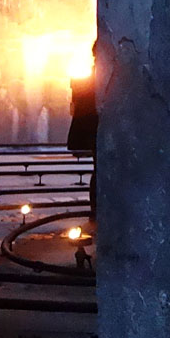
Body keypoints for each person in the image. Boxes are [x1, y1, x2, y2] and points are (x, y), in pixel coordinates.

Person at [67, 41, 99, 215]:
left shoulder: (89, 80)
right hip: (100, 130)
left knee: (99, 170)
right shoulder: (99, 79)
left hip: (96, 131)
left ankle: (96, 211)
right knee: (101, 170)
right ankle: (98, 211)